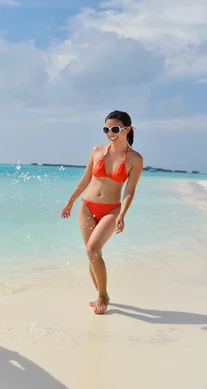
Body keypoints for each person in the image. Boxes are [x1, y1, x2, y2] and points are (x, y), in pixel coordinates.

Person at [61, 110, 143, 315]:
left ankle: (103, 295)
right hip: (87, 207)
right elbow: (85, 178)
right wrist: (70, 201)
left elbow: (130, 190)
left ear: (127, 129)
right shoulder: (97, 150)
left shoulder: (134, 159)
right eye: (106, 129)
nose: (110, 133)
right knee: (92, 254)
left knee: (93, 250)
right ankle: (100, 293)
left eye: (115, 129)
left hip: (111, 210)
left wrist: (122, 214)